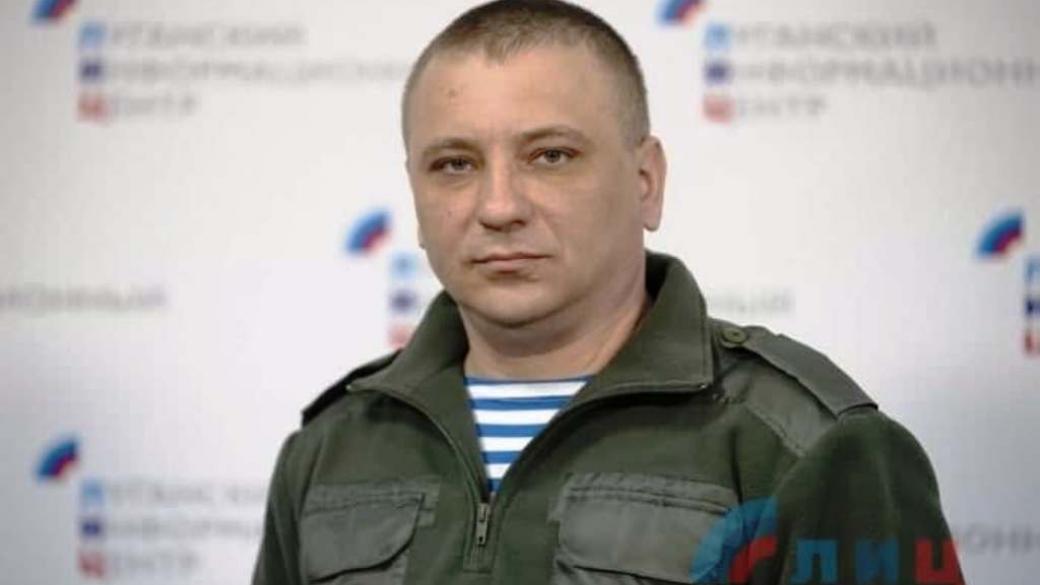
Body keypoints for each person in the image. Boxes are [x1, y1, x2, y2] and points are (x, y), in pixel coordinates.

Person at [253, 1, 963, 584]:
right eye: (455, 164)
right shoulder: (330, 448)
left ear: (646, 182)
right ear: (415, 193)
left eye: (550, 155)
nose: (498, 206)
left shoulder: (804, 446)